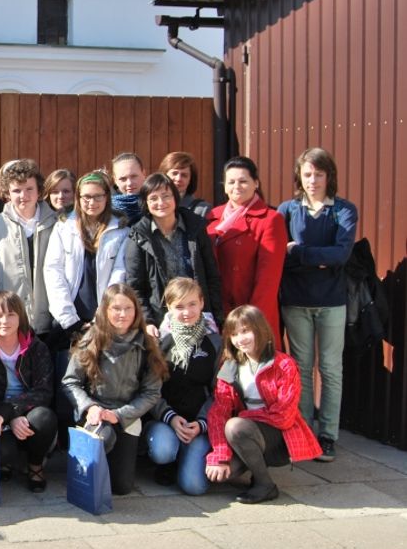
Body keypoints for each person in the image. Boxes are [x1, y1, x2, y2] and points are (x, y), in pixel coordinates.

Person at [277, 147, 357, 463]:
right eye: (307, 174)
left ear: (329, 176)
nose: (312, 180)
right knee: (300, 368)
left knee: (331, 368)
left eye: (319, 174)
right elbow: (281, 256)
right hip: (296, 300)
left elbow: (341, 255)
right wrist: (313, 258)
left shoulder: (343, 210)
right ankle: (303, 430)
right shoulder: (287, 210)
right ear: (299, 176)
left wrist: (299, 252)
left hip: (332, 302)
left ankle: (328, 436)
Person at [205, 305, 321, 503]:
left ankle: (264, 484)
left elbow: (284, 416)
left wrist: (242, 418)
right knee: (221, 474)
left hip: (278, 437)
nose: (240, 339)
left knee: (235, 426)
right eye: (234, 334)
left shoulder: (284, 364)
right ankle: (250, 462)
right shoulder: (230, 366)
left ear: (260, 329)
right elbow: (218, 412)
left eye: (245, 331)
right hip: (246, 433)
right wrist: (220, 455)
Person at [62, 283, 166, 496]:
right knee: (104, 440)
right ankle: (84, 471)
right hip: (97, 413)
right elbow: (71, 381)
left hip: (127, 414)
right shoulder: (91, 339)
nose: (123, 314)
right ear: (105, 310)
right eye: (116, 309)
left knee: (121, 487)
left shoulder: (147, 344)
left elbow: (151, 392)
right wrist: (89, 407)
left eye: (128, 308)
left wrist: (119, 415)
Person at [0, 291, 58, 491]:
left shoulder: (37, 348)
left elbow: (44, 391)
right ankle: (7, 461)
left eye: (11, 314)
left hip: (27, 410)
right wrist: (7, 415)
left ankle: (35, 465)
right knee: (4, 451)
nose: (5, 320)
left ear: (20, 317)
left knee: (44, 418)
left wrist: (12, 411)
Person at [145, 278, 221, 495]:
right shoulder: (160, 342)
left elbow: (220, 392)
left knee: (194, 487)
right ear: (168, 307)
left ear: (202, 303)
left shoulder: (215, 342)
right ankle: (168, 461)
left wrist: (202, 423)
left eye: (192, 304)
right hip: (167, 420)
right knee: (163, 450)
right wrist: (169, 416)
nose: (186, 312)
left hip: (199, 421)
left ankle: (189, 455)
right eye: (179, 306)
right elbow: (150, 390)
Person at [125, 173, 223, 333]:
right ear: (145, 203)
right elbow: (135, 286)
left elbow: (212, 276)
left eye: (166, 196)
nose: (161, 203)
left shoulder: (195, 227)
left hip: (199, 316)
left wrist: (218, 318)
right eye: (153, 198)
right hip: (162, 322)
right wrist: (147, 321)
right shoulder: (138, 236)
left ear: (175, 198)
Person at [44, 171, 129, 347]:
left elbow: (119, 273)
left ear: (107, 197)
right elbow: (53, 271)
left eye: (98, 197)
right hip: (68, 319)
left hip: (104, 318)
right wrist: (70, 320)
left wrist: (104, 314)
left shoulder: (120, 230)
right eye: (87, 197)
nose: (92, 202)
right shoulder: (64, 227)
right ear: (78, 197)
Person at [206, 156, 286, 341]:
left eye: (243, 181)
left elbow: (269, 278)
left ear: (256, 183)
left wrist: (253, 317)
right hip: (219, 310)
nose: (237, 186)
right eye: (231, 182)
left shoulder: (270, 219)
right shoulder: (212, 217)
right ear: (224, 186)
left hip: (251, 310)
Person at [0, 159, 58, 342]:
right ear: (7, 193)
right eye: (16, 190)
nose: (23, 195)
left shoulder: (56, 223)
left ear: (39, 191)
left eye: (29, 189)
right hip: (9, 321)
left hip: (51, 320)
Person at [159, 152, 211, 218]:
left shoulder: (202, 210)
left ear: (190, 180)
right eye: (174, 173)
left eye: (184, 175)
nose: (178, 179)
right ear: (163, 175)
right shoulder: (153, 206)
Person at [110, 152, 147, 226]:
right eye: (123, 179)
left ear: (144, 174)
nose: (129, 183)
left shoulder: (156, 205)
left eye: (134, 176)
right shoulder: (105, 209)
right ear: (115, 180)